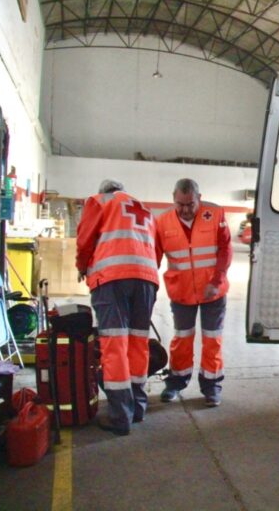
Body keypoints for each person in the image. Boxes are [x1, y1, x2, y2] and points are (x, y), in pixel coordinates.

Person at [76, 179, 159, 436]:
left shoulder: (99, 201)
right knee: (138, 344)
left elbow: (85, 239)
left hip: (112, 278)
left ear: (104, 191)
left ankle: (120, 416)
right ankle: (137, 409)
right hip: (146, 279)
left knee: (115, 344)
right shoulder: (144, 209)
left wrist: (81, 266)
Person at [155, 178, 232, 407]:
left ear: (199, 198)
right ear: (173, 199)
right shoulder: (162, 222)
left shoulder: (215, 214)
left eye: (190, 204)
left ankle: (211, 385)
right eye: (180, 204)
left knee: (212, 339)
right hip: (181, 292)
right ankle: (176, 382)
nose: (186, 210)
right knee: (182, 338)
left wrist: (216, 281)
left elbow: (225, 249)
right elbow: (154, 257)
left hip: (213, 292)